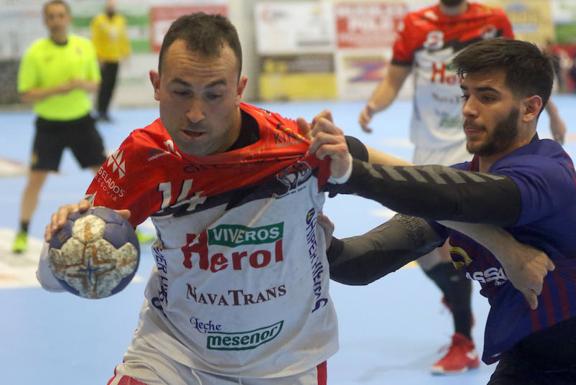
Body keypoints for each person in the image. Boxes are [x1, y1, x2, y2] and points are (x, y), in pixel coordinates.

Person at [37, 13, 541, 385]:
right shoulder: (144, 157)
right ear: (155, 86)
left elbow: (419, 187)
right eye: (180, 91)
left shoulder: (297, 146)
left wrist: (507, 249)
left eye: (214, 93)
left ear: (240, 87)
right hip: (174, 354)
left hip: (289, 362)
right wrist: (60, 242)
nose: (195, 113)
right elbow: (57, 273)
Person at [312, 38, 576, 385]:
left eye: (487, 97)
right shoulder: (455, 185)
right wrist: (321, 247)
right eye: (465, 94)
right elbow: (363, 263)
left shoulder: (549, 176)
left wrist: (351, 172)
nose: (468, 109)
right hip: (527, 363)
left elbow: (460, 199)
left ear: (529, 109)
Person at [357, 0, 568, 374]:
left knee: (461, 239)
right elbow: (394, 78)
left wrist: (550, 111)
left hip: (476, 141)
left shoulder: (492, 18)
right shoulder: (415, 25)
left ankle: (464, 339)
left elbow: (523, 75)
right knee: (426, 250)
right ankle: (460, 297)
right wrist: (374, 106)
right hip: (428, 143)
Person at [12, 0, 105, 254]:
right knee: (35, 180)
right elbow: (26, 94)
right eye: (51, 16)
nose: (57, 20)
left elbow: (95, 84)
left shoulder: (83, 47)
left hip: (81, 122)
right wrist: (57, 89)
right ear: (45, 21)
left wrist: (79, 84)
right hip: (49, 126)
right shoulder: (36, 52)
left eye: (61, 15)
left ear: (68, 18)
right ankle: (22, 231)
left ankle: (125, 223)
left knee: (106, 176)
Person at [90, 0, 131, 122]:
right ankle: (99, 112)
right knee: (103, 86)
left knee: (111, 86)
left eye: (113, 6)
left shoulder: (120, 20)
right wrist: (98, 56)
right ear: (105, 7)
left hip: (116, 58)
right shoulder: (98, 21)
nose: (111, 8)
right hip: (104, 60)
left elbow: (123, 39)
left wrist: (126, 54)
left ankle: (106, 111)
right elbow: (95, 39)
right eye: (109, 6)